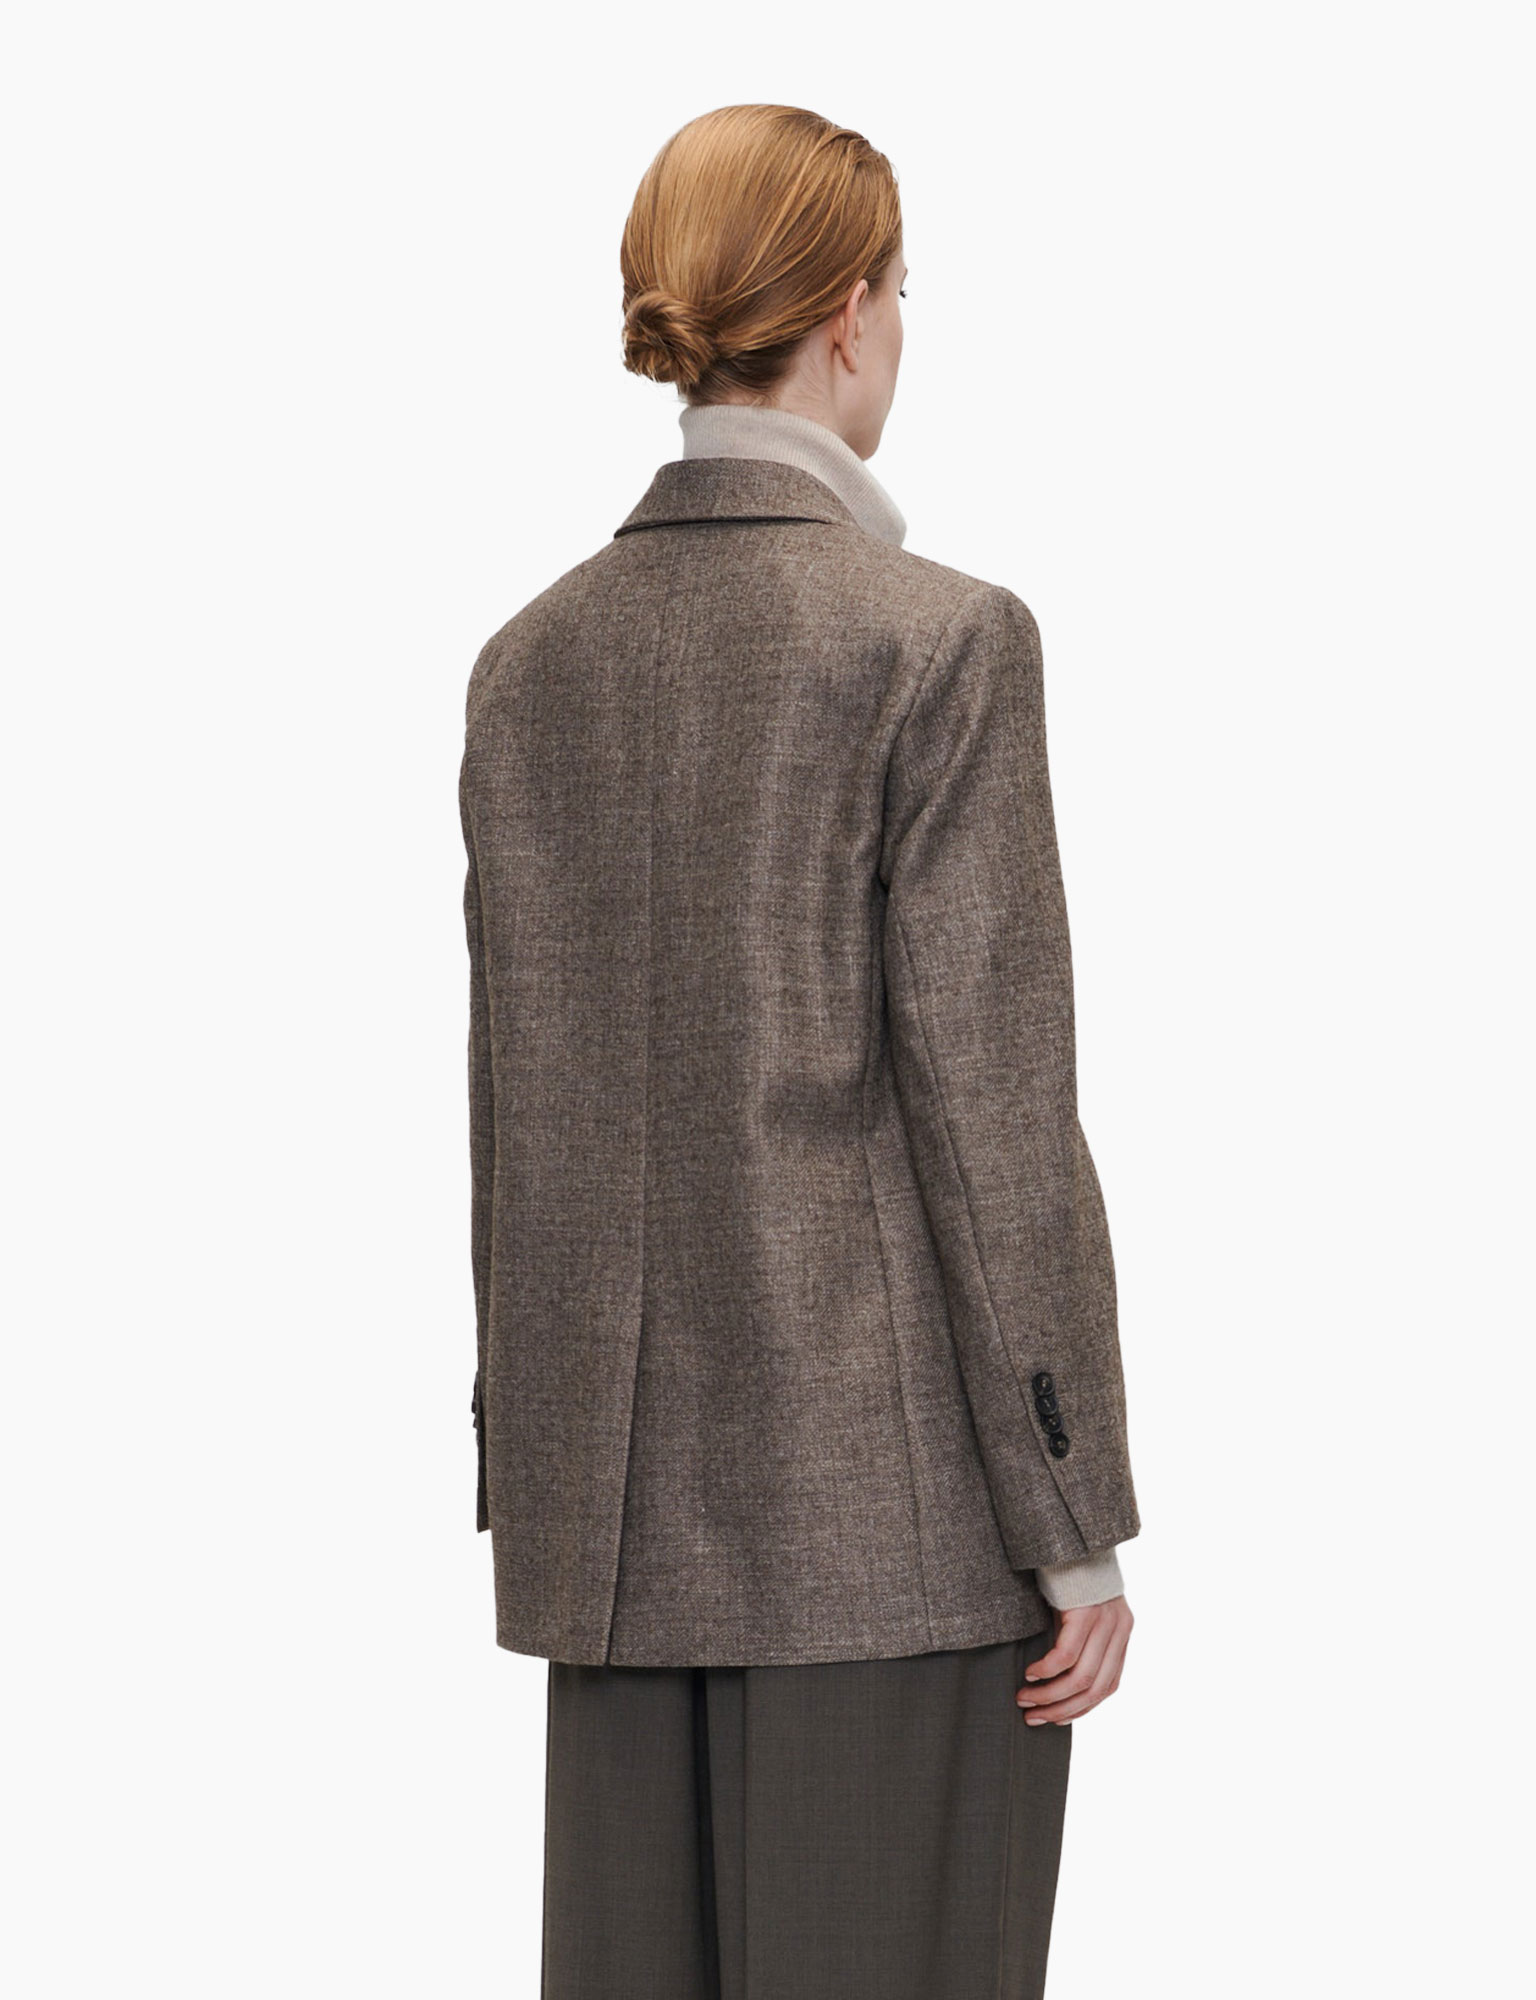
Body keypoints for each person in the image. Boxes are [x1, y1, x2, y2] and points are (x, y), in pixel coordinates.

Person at [458, 102, 1141, 2000]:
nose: (899, 330)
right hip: (896, 1552)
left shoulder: (529, 665)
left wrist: (540, 1481)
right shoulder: (935, 643)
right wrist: (1075, 1524)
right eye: (902, 292)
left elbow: (514, 1111)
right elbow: (994, 1120)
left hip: (613, 1551)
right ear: (848, 313)